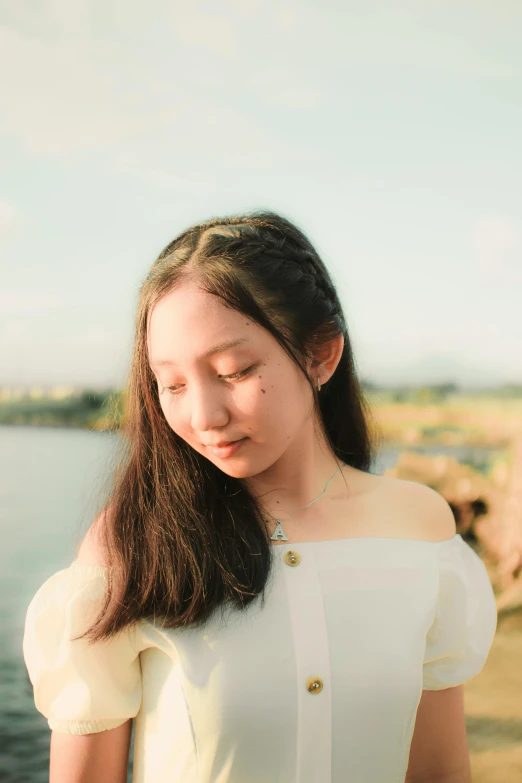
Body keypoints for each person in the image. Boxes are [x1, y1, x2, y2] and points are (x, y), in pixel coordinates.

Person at [23, 210, 497, 783]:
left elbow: (441, 772)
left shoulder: (420, 529)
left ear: (321, 354)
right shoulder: (134, 543)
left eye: (233, 371)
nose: (203, 416)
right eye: (170, 384)